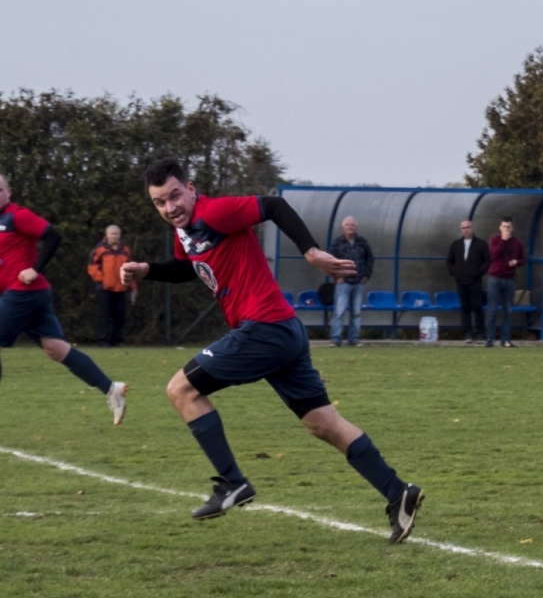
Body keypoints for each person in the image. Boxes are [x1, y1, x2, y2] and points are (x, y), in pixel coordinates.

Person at [121, 158, 423, 542]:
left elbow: (274, 206)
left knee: (181, 390)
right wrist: (147, 269)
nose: (170, 207)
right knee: (323, 424)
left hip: (263, 328)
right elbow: (188, 268)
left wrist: (310, 251)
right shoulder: (186, 231)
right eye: (160, 202)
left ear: (191, 189)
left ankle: (232, 483)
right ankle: (398, 492)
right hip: (283, 330)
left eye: (175, 196)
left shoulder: (215, 212)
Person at [0, 174, 127, 424]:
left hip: (25, 292)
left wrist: (35, 269)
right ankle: (111, 389)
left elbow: (53, 236)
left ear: (9, 191)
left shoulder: (17, 216)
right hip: (30, 295)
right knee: (55, 349)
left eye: (0, 188)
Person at [87, 225, 137, 346]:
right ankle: (102, 340)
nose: (114, 236)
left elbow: (131, 269)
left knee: (119, 315)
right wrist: (102, 279)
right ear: (107, 235)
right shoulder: (100, 248)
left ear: (120, 235)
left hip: (121, 287)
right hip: (104, 288)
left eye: (116, 234)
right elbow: (92, 266)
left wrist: (133, 287)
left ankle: (117, 340)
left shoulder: (125, 249)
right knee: (103, 315)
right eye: (112, 234)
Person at [327, 215, 372, 347]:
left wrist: (366, 275)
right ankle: (335, 339)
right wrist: (337, 277)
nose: (350, 227)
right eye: (347, 225)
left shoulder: (362, 242)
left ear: (356, 227)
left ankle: (354, 339)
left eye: (352, 225)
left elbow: (369, 259)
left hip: (359, 282)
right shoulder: (337, 243)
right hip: (343, 282)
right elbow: (330, 261)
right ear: (343, 227)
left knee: (356, 312)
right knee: (339, 312)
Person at [446, 219, 489, 342]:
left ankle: (480, 333)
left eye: (468, 227)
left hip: (475, 281)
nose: (466, 230)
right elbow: (449, 261)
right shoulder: (456, 245)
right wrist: (454, 273)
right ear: (461, 230)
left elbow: (487, 260)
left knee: (477, 307)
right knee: (464, 307)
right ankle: (467, 333)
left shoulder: (481, 244)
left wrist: (479, 273)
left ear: (473, 228)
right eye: (463, 228)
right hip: (460, 281)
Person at [486, 217, 525, 348]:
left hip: (509, 279)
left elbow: (523, 259)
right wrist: (503, 240)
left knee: (508, 310)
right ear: (500, 227)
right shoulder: (495, 240)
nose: (506, 229)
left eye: (508, 227)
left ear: (512, 228)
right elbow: (494, 255)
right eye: (504, 226)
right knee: (492, 309)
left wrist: (517, 262)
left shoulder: (517, 243)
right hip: (495, 278)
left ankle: (505, 340)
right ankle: (490, 339)